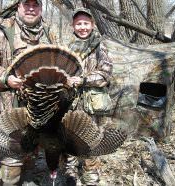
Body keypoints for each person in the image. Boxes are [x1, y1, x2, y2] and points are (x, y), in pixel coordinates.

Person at [0, 0, 55, 184]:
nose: (30, 9)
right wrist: (6, 78)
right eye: (26, 4)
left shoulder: (48, 33)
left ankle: (26, 175)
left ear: (41, 9)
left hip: (38, 104)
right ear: (18, 7)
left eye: (35, 5)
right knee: (11, 154)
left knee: (31, 150)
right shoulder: (3, 31)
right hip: (9, 102)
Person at [66, 8, 113, 186]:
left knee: (91, 140)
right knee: (69, 138)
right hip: (71, 102)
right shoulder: (67, 46)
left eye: (86, 23)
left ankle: (90, 176)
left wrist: (83, 80)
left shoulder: (100, 46)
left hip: (93, 104)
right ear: (73, 25)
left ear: (92, 25)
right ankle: (70, 173)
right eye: (79, 23)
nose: (82, 27)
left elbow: (106, 74)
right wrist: (65, 81)